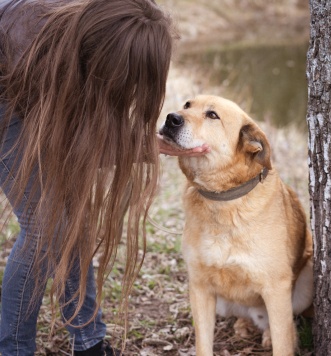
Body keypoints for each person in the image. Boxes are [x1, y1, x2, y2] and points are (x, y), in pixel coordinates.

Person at [0, 0, 209, 355]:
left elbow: (84, 138)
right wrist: (145, 146)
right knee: (44, 229)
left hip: (36, 84)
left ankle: (89, 342)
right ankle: (13, 349)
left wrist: (151, 144)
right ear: (103, 63)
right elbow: (69, 140)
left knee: (70, 219)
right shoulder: (27, 46)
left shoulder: (95, 31)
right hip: (8, 93)